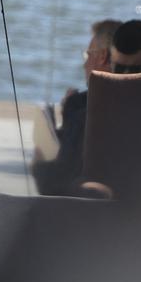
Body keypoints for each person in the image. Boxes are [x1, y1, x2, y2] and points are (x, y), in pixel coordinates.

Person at [32, 19, 120, 196]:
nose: (84, 64)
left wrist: (39, 163)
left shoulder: (86, 112)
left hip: (88, 215)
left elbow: (57, 185)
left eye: (88, 55)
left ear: (102, 56)